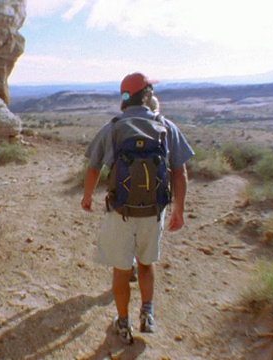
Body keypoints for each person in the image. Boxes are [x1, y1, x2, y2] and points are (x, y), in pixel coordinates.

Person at [81, 72, 194, 344]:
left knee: (121, 270)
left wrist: (87, 197)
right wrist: (179, 208)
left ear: (124, 98)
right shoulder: (165, 125)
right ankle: (147, 313)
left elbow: (94, 166)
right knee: (145, 264)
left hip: (120, 211)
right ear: (146, 94)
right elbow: (179, 172)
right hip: (154, 211)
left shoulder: (113, 128)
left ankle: (123, 323)